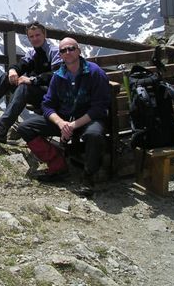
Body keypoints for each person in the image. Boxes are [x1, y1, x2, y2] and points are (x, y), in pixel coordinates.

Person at [9, 37, 110, 195]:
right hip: (64, 119)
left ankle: (88, 177)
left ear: (79, 50)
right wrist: (61, 123)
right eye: (63, 50)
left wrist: (72, 125)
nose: (67, 52)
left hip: (88, 120)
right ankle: (57, 164)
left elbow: (100, 107)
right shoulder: (58, 76)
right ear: (60, 56)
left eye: (71, 48)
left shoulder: (94, 72)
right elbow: (47, 104)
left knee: (94, 134)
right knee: (25, 128)